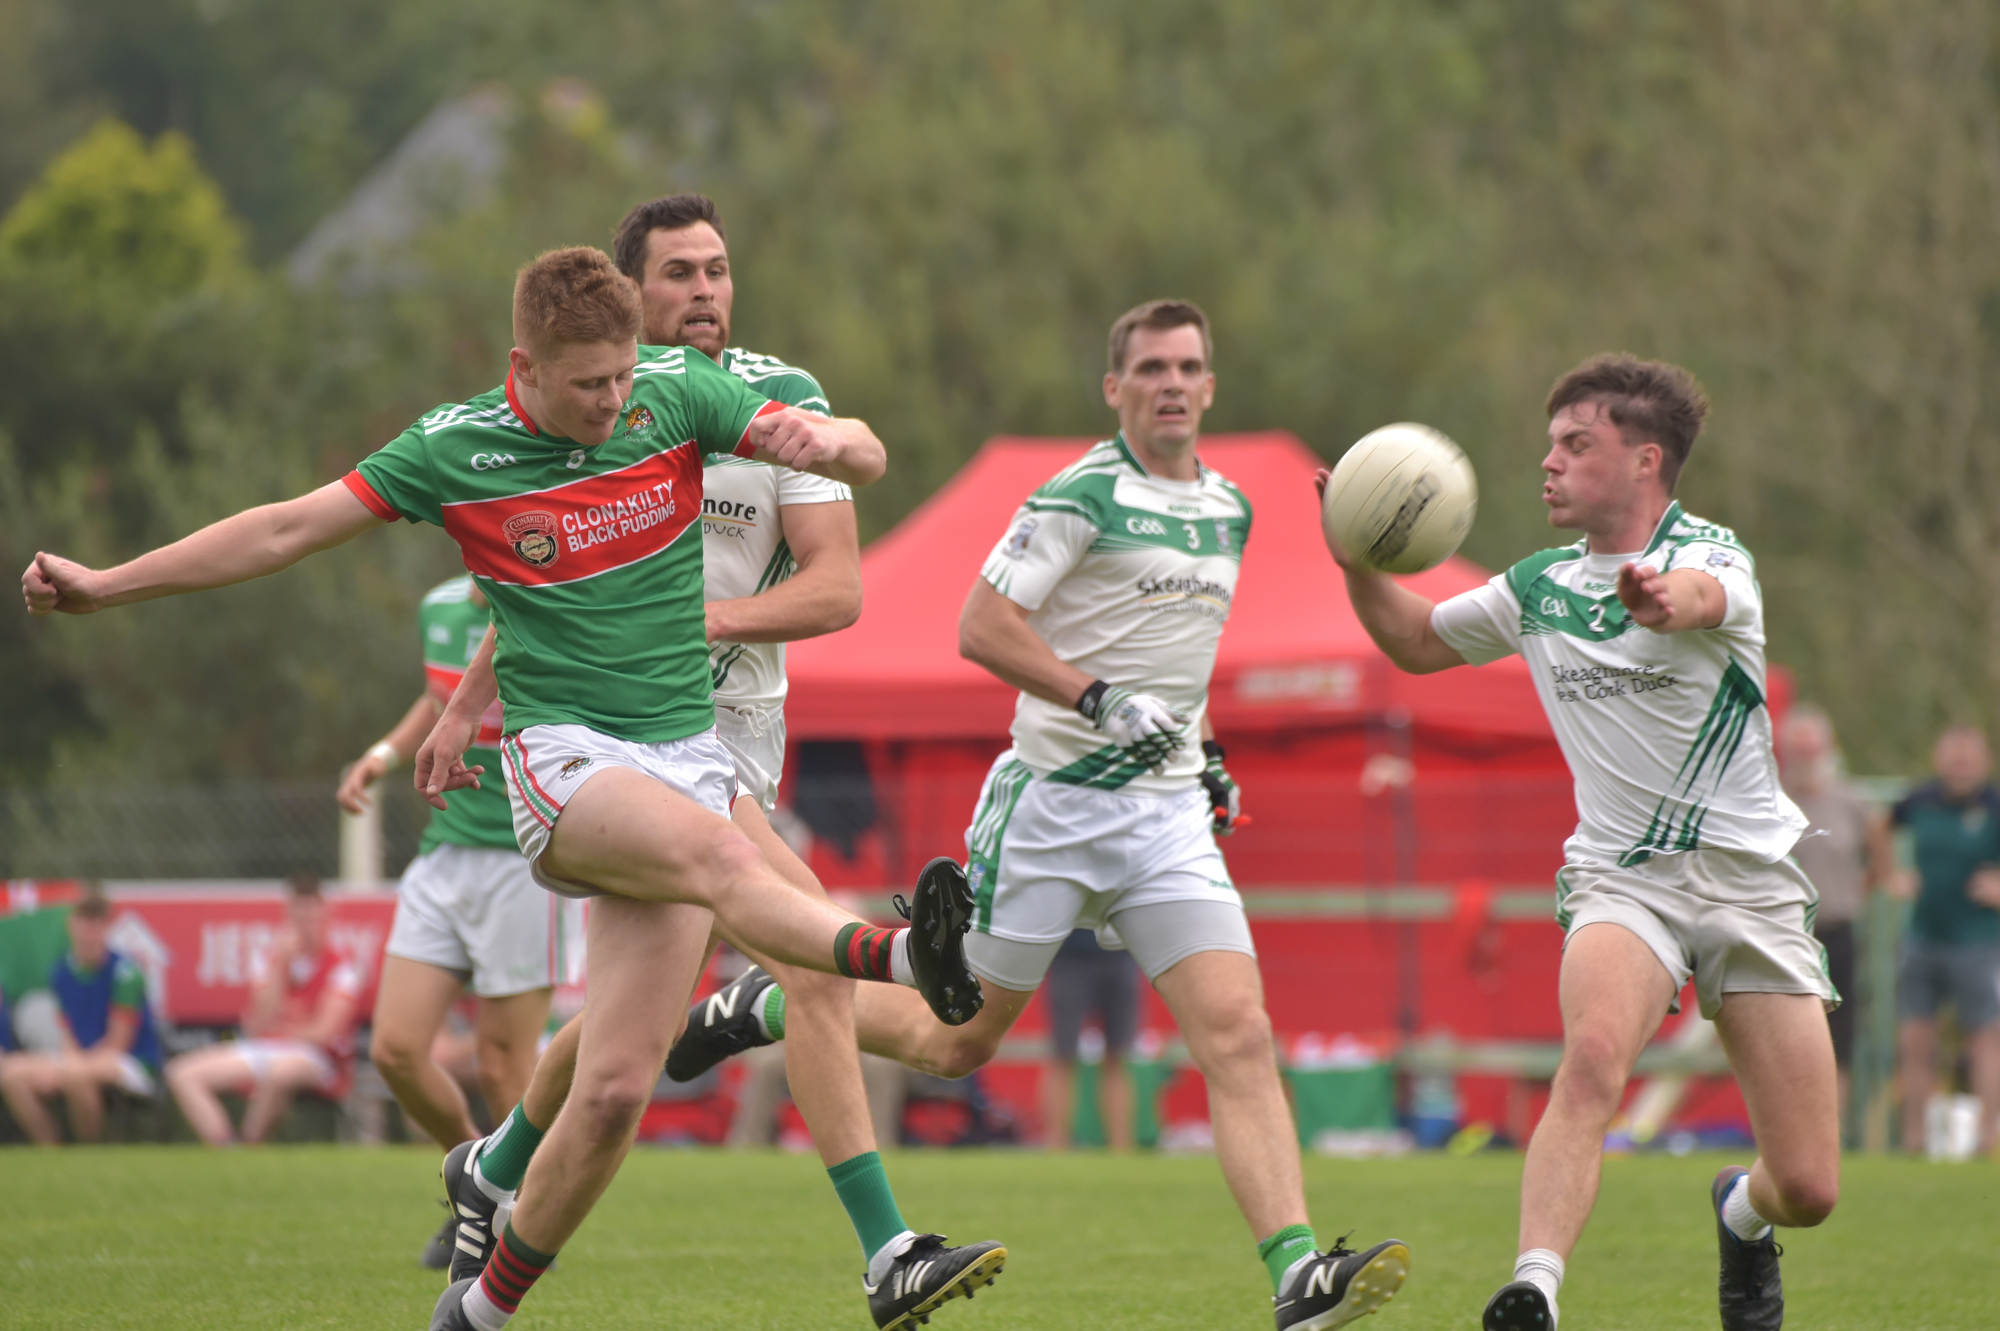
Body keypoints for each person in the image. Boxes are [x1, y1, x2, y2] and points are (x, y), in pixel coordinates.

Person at [22, 244, 983, 1331]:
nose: (612, 400)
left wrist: (835, 440)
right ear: (522, 364)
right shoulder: (455, 446)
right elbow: (285, 524)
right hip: (564, 761)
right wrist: (109, 583)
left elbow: (861, 451)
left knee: (616, 1088)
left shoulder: (672, 393)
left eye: (623, 375)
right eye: (587, 383)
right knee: (724, 860)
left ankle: (476, 1311)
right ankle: (904, 953)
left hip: (684, 755)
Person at [671, 299, 1411, 1331]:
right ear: (1114, 389)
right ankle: (769, 1005)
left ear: (1209, 385)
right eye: (1147, 366)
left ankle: (1295, 1273)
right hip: (1050, 807)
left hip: (1164, 823)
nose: (1169, 382)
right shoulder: (1077, 492)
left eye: (1186, 365)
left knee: (1238, 1034)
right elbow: (980, 625)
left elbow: (1175, 669)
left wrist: (1203, 757)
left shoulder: (1230, 509)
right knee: (953, 1043)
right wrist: (1097, 698)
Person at [440, 196, 1005, 1331]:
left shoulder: (775, 397)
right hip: (620, 746)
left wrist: (701, 621)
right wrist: (465, 703)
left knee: (617, 1057)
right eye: (678, 273)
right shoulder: (587, 409)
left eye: (718, 269)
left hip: (728, 745)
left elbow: (836, 587)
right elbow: (549, 582)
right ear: (627, 292)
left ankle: (493, 1164)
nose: (704, 290)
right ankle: (886, 1250)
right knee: (817, 972)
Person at [1329, 353, 1838, 1331]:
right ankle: (1533, 1286)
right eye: (1548, 444)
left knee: (1807, 1186)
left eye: (1575, 444)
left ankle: (1739, 1209)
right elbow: (1416, 641)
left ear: (1643, 460)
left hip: (1748, 888)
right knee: (1594, 1051)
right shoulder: (1536, 585)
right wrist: (1353, 557)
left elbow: (1699, 597)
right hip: (1620, 879)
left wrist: (1660, 600)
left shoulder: (1714, 554)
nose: (1547, 463)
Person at [337, 573, 586, 1267]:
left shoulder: (548, 598)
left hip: (523, 858)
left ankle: (529, 1226)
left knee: (504, 1060)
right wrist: (383, 756)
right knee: (395, 1049)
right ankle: (476, 1188)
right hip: (443, 854)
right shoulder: (438, 605)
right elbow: (438, 698)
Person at [163, 876, 365, 1145]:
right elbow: (257, 1026)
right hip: (268, 1047)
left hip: (316, 1059)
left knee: (279, 1073)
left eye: (312, 918)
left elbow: (323, 1033)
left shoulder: (342, 965)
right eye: (300, 918)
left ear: (325, 917)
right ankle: (225, 1146)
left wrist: (285, 1031)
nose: (306, 927)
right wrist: (281, 965)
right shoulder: (271, 960)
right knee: (182, 1074)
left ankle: (249, 1143)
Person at [1886, 724, 2000, 1156]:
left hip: (1978, 943)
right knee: (1916, 1040)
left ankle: (1988, 1137)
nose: (1960, 765)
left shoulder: (1994, 806)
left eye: (1968, 757)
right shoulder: (1919, 801)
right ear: (1939, 761)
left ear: (1984, 762)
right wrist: (1889, 875)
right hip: (1922, 938)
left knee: (1985, 1039)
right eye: (1953, 757)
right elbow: (1879, 830)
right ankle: (1914, 1141)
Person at [1777, 703, 1885, 1132]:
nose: (1805, 756)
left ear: (1827, 749)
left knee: (1838, 1036)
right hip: (1785, 934)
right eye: (1797, 748)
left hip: (1837, 931)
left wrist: (1862, 888)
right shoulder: (1771, 798)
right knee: (1783, 1033)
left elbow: (1881, 851)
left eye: (1811, 748)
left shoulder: (1850, 801)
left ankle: (1828, 1130)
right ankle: (1785, 1129)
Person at [0, 893, 163, 1144]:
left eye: (96, 921)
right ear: (71, 924)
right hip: (82, 1059)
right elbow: (67, 1032)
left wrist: (68, 1069)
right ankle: (51, 1151)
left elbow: (117, 1043)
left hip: (131, 1062)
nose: (89, 929)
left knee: (76, 1075)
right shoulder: (60, 972)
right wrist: (64, 1065)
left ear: (106, 926)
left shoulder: (126, 973)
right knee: (10, 1073)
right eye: (84, 921)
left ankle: (89, 1152)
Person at [1040, 927, 1142, 1151]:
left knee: (1118, 1057)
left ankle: (1122, 1150)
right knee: (1063, 1056)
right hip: (1070, 957)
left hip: (1121, 955)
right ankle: (1055, 1147)